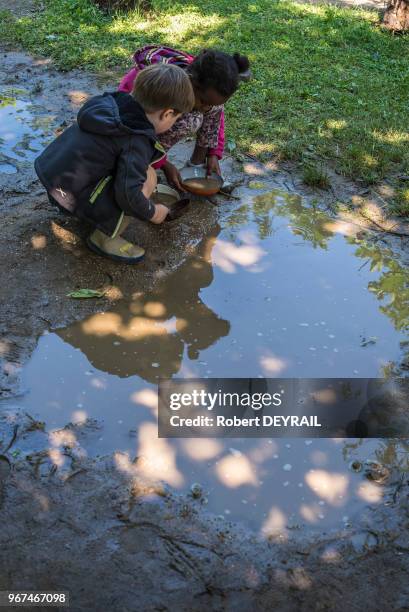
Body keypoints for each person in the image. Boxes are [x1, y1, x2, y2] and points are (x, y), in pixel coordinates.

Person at [34, 64, 195, 264]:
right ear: (167, 114)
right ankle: (104, 238)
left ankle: (92, 210)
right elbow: (128, 195)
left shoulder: (112, 103)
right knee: (147, 178)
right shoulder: (135, 140)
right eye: (176, 118)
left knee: (141, 173)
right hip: (71, 198)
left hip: (52, 177)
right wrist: (154, 213)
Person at [119, 45, 251, 190]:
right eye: (204, 102)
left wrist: (213, 153)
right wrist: (163, 164)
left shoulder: (200, 84)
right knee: (187, 121)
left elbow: (215, 116)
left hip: (161, 113)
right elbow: (131, 131)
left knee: (208, 111)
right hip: (128, 130)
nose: (206, 108)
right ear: (191, 82)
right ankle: (148, 160)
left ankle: (197, 166)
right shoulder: (157, 88)